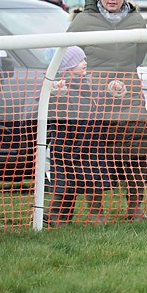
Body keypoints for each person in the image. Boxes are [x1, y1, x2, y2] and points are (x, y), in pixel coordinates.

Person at [68, 0, 147, 221]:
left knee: (135, 156)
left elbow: (140, 55)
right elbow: (71, 54)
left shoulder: (137, 20)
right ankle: (96, 212)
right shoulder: (82, 21)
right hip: (95, 99)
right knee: (95, 154)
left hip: (131, 98)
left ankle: (135, 209)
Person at [45, 46, 113, 227]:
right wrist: (53, 94)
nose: (85, 63)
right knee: (65, 184)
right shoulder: (59, 86)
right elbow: (45, 106)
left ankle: (97, 214)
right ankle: (57, 216)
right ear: (67, 67)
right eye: (80, 61)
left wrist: (112, 93)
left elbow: (102, 100)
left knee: (96, 180)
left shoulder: (89, 84)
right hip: (66, 146)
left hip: (92, 144)